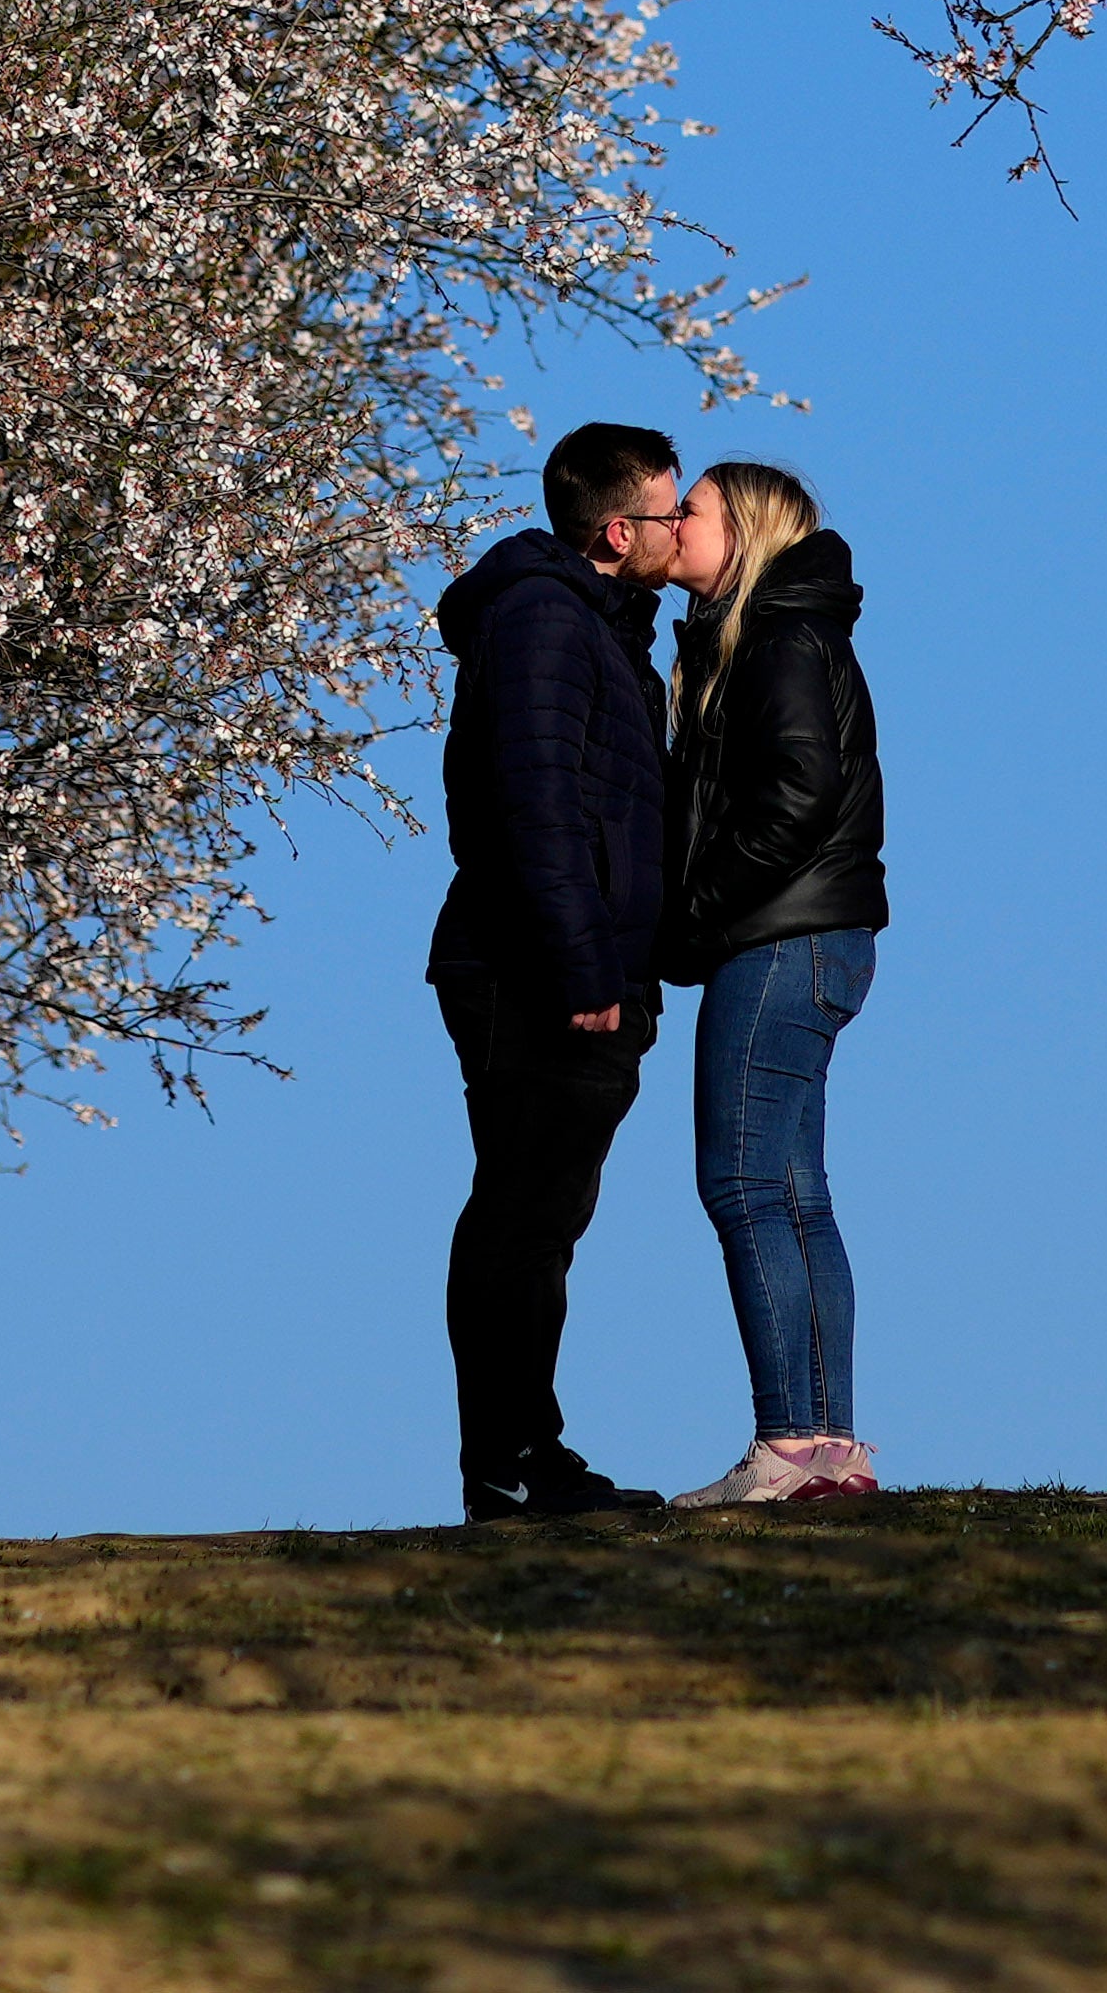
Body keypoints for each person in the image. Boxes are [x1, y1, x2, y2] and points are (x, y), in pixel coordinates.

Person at [425, 417, 705, 1522]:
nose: (679, 528)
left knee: (540, 1218)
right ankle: (508, 1461)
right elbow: (533, 802)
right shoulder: (547, 620)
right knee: (521, 1218)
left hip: (568, 968)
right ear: (611, 528)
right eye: (667, 511)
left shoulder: (594, 623)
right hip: (533, 971)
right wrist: (584, 966)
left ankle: (520, 1453)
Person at [655, 456, 885, 1511]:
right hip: (815, 942)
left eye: (689, 513)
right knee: (793, 1195)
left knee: (743, 1185)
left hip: (782, 942)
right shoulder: (774, 634)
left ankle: (790, 1444)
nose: (671, 525)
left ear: (741, 530)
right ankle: (827, 1451)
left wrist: (697, 911)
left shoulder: (781, 639)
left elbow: (798, 790)